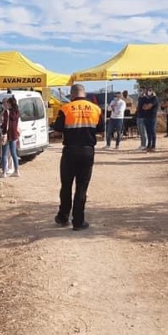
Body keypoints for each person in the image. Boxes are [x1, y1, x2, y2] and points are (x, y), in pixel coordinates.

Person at [52, 84, 103, 231]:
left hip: (70, 152)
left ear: (72, 95)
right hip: (87, 152)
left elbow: (57, 128)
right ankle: (78, 222)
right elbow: (101, 130)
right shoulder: (96, 109)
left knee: (66, 185)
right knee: (82, 187)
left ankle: (62, 217)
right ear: (84, 94)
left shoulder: (66, 109)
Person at [0, 96, 21, 178]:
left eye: (7, 102)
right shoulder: (17, 112)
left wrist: (1, 128)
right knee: (14, 153)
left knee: (4, 154)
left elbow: (5, 124)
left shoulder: (6, 112)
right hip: (14, 134)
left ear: (9, 103)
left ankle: (4, 172)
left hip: (7, 134)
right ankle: (17, 171)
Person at [137, 88, 159, 152]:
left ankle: (153, 146)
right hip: (146, 117)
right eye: (148, 90)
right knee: (148, 132)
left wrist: (147, 106)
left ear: (153, 91)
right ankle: (149, 146)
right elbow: (143, 107)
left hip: (152, 117)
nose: (148, 92)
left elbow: (147, 107)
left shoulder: (155, 98)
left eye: (150, 90)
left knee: (152, 132)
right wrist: (146, 106)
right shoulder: (148, 99)